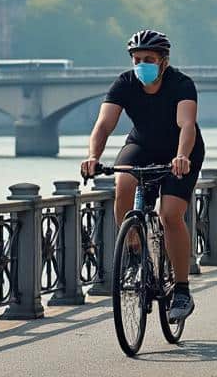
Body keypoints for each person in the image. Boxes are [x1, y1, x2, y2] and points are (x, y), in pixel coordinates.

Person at [80, 29, 202, 322]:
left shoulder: (181, 84)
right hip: (142, 145)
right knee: (123, 182)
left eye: (148, 59)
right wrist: (93, 156)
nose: (141, 65)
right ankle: (135, 254)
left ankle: (181, 290)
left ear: (163, 61)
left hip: (180, 151)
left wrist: (182, 156)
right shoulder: (125, 83)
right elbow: (104, 124)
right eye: (137, 60)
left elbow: (186, 124)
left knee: (170, 215)